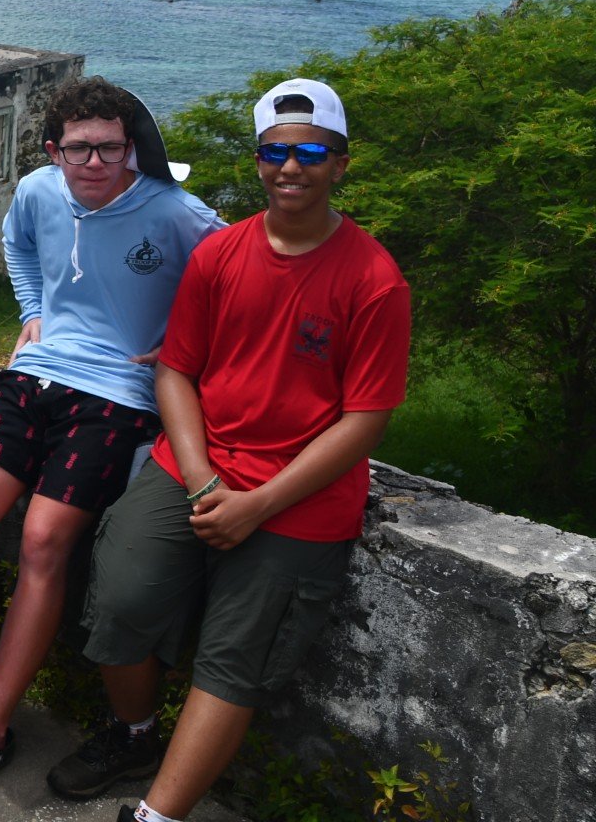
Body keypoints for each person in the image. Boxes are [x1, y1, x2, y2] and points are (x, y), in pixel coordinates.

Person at [52, 78, 410, 822]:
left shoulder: (374, 281)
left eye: (312, 152)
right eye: (275, 153)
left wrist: (258, 503)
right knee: (119, 599)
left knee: (233, 658)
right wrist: (204, 482)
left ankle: (157, 815)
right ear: (257, 162)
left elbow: (364, 421)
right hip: (197, 467)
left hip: (299, 497)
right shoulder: (221, 254)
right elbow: (178, 369)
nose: (291, 167)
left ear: (341, 164)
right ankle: (135, 732)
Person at [0, 77, 224, 798]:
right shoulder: (40, 191)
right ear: (54, 150)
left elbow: (237, 277)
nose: (97, 161)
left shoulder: (174, 210)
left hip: (119, 396)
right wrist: (33, 309)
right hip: (37, 374)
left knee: (44, 539)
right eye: (81, 148)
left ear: (130, 146)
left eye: (111, 146)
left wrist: (183, 345)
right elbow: (16, 247)